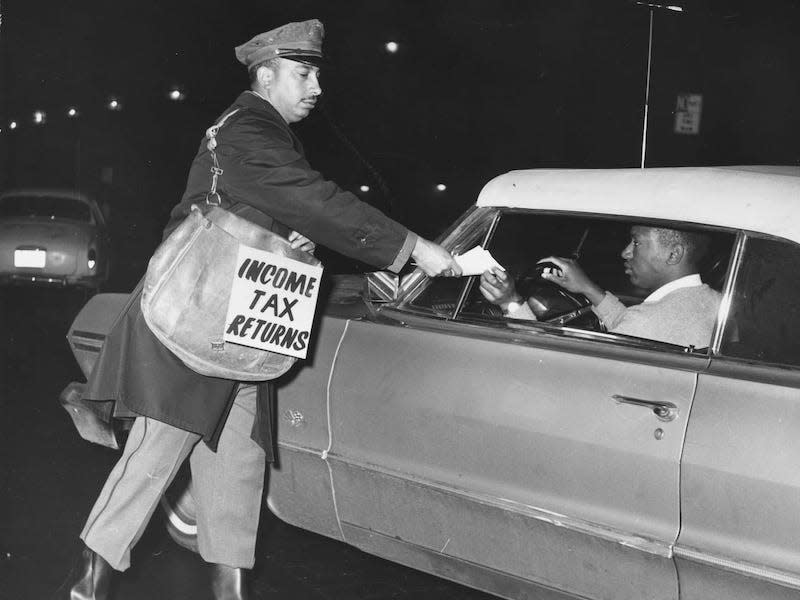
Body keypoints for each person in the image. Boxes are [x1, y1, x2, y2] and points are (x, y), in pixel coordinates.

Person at [64, 19, 461, 600]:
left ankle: (229, 589)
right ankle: (86, 584)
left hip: (243, 322)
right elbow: (310, 198)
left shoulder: (265, 133)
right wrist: (412, 247)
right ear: (266, 74)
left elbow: (275, 209)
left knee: (240, 461)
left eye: (318, 73)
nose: (317, 86)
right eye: (304, 73)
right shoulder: (247, 128)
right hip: (196, 319)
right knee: (158, 449)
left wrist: (291, 239)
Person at [479, 225, 721, 348]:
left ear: (673, 254)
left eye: (636, 242)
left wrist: (510, 301)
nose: (625, 252)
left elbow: (550, 367)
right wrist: (588, 289)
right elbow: (634, 327)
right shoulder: (715, 302)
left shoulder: (646, 320)